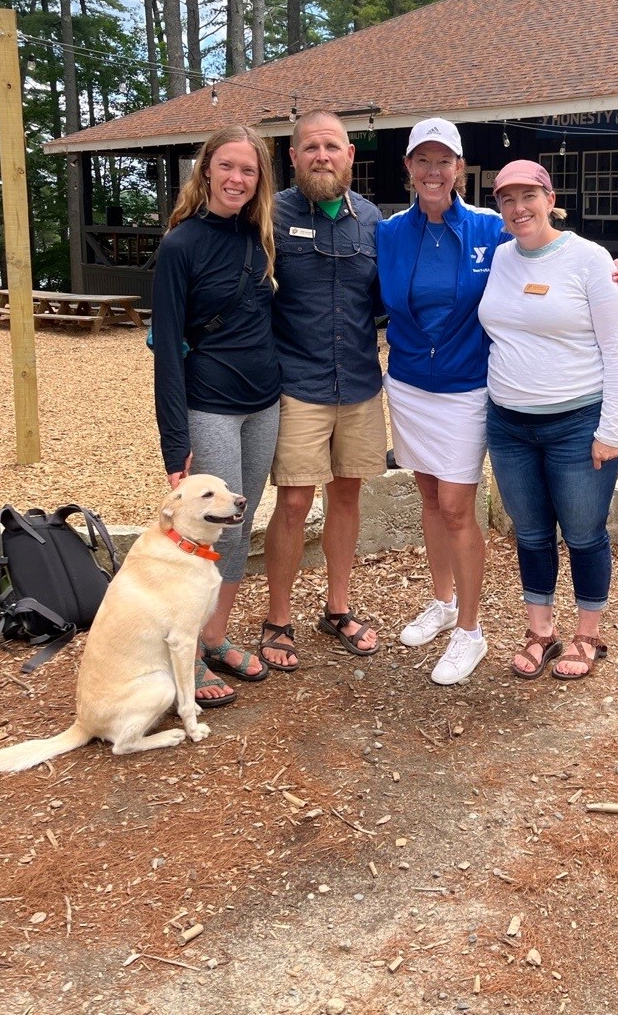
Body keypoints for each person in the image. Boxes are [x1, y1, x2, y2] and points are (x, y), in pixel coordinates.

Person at [478, 160, 618, 680]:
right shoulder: (500, 257)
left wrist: (611, 430)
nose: (518, 208)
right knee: (532, 533)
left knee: (585, 533)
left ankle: (587, 635)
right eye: (506, 199)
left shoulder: (591, 260)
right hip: (508, 422)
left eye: (528, 196)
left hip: (576, 421)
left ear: (550, 198)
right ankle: (540, 631)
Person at [151, 125, 282, 707]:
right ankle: (185, 645)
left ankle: (213, 637)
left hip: (265, 404)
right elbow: (166, 351)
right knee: (200, 532)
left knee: (237, 523)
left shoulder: (261, 237)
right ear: (206, 170)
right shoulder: (181, 246)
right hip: (209, 406)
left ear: (259, 181)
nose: (236, 179)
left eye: (248, 171)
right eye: (227, 167)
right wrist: (174, 441)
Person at [376, 119, 509, 685]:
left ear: (459, 167)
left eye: (444, 161)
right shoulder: (387, 233)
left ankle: (471, 632)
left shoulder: (490, 228)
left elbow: (550, 249)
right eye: (423, 160)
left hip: (464, 387)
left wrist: (608, 269)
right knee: (429, 495)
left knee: (457, 506)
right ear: (409, 168)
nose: (434, 171)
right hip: (407, 384)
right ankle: (443, 602)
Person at [260, 110, 386, 669]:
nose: (322, 156)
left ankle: (337, 608)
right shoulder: (269, 215)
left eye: (332, 146)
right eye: (310, 147)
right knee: (292, 501)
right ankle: (278, 618)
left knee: (348, 496)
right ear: (293, 157)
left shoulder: (373, 221)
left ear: (350, 155)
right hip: (298, 383)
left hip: (359, 382)